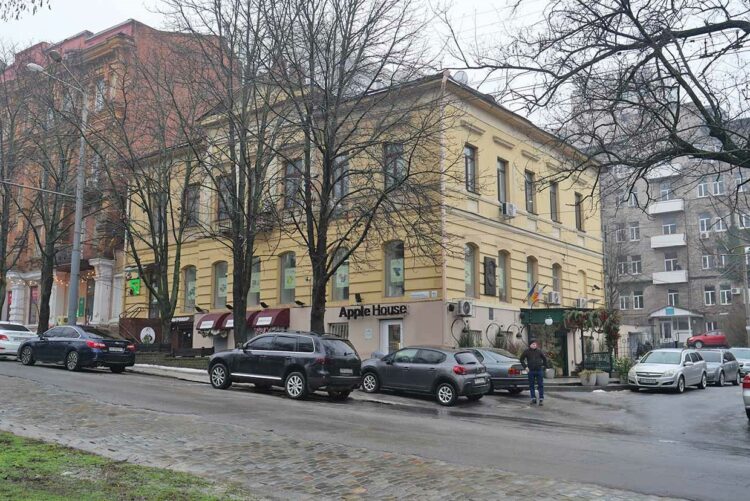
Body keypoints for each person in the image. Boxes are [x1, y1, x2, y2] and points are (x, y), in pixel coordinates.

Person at [520, 339, 548, 406]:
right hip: (531, 371)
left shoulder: (539, 351)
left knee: (540, 385)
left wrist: (544, 366)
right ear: (530, 345)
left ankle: (541, 399)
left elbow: (544, 359)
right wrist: (525, 367)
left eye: (535, 344)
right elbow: (521, 359)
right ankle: (533, 398)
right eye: (533, 344)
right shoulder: (526, 351)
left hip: (539, 370)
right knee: (531, 385)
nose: (535, 345)